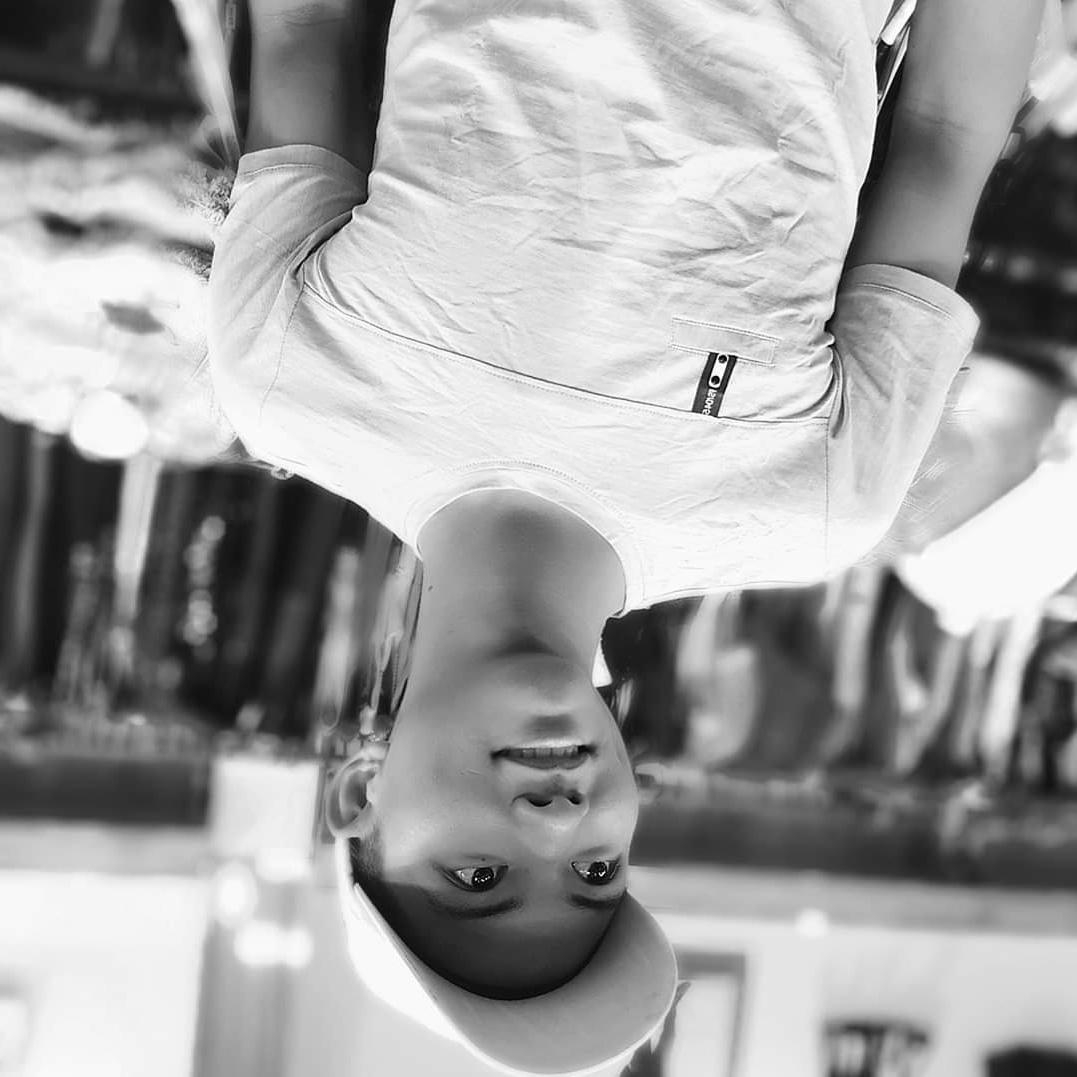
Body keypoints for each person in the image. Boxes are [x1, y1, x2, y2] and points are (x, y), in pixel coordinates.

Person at [207, 0, 1053, 1071]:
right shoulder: (809, 504)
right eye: (597, 873)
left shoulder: (289, 384)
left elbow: (307, 29)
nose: (556, 824)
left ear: (359, 798)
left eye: (479, 877)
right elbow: (941, 135)